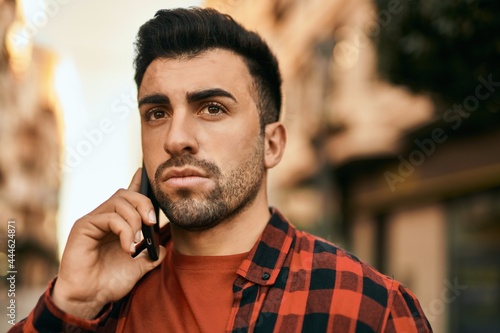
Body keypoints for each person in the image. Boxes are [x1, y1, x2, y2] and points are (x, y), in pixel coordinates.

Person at [10, 7, 432, 333]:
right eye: (157, 113)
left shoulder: (368, 307)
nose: (176, 138)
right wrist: (71, 304)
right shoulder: (100, 303)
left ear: (272, 144)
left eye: (212, 108)